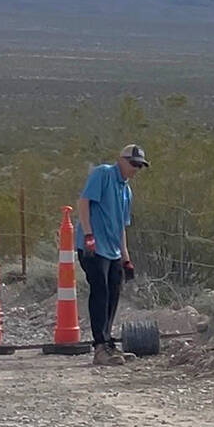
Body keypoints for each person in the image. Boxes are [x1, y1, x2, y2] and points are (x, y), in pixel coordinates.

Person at [76, 144, 150, 366]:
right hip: (94, 247)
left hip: (113, 250)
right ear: (121, 160)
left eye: (139, 166)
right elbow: (83, 203)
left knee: (113, 293)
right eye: (133, 163)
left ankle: (108, 342)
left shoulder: (126, 190)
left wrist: (126, 258)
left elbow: (121, 226)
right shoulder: (103, 174)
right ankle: (99, 346)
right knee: (100, 293)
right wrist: (88, 234)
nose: (135, 169)